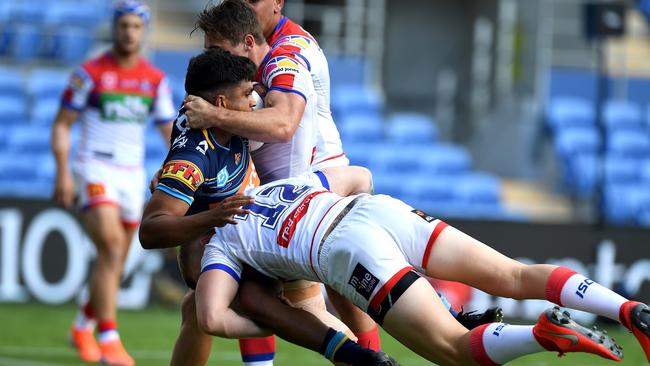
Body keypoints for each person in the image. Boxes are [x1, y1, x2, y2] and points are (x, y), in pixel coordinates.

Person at [180, 2, 501, 364]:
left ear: (277, 4)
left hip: (301, 196)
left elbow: (283, 124)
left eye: (254, 0)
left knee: (267, 300)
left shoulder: (285, 54)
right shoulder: (263, 52)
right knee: (333, 296)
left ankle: (386, 348)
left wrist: (214, 114)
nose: (246, 6)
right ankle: (430, 315)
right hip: (308, 188)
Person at [197, 171, 650, 365]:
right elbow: (357, 174)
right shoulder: (277, 185)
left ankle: (541, 335)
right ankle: (629, 310)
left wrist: (294, 321)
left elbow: (211, 318)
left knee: (454, 350)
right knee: (514, 275)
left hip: (345, 250)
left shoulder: (220, 243)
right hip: (377, 210)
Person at [140, 48, 397, 366]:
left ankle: (364, 345)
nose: (253, 101)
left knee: (359, 178)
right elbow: (149, 232)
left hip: (268, 218)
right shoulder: (193, 157)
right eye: (247, 93)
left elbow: (268, 108)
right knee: (266, 305)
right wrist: (212, 216)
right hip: (233, 246)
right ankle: (364, 353)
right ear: (219, 103)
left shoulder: (227, 117)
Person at [50, 1, 176, 365]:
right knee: (109, 243)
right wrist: (62, 172)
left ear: (144, 31)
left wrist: (177, 171)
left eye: (136, 27)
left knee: (117, 255)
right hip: (94, 169)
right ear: (114, 28)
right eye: (124, 25)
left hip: (131, 175)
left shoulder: (154, 80)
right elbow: (62, 124)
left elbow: (170, 132)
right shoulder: (88, 74)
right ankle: (109, 339)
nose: (129, 33)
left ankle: (82, 324)